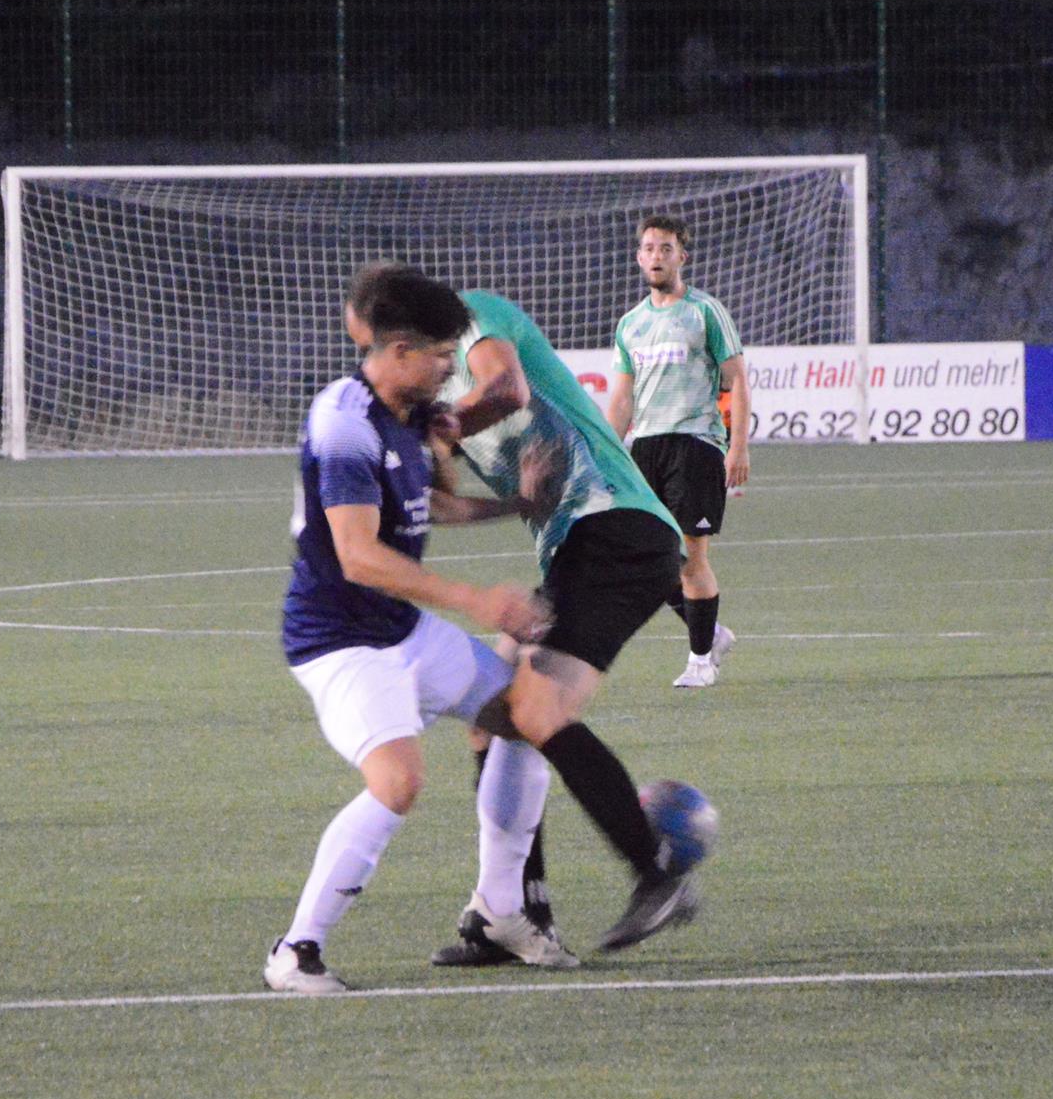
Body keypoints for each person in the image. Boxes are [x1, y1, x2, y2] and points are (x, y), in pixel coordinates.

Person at [266, 264, 573, 995]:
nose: (448, 370)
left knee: (528, 716)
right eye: (439, 356)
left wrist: (517, 503)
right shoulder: (344, 421)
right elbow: (359, 555)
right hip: (341, 643)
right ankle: (296, 952)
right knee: (398, 782)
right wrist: (476, 601)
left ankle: (501, 910)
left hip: (401, 630)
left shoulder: (410, 414)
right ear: (398, 351)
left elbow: (429, 507)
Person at [426, 284, 708, 959]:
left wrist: (442, 427)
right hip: (577, 548)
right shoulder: (431, 397)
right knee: (491, 712)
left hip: (616, 525)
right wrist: (424, 444)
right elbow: (439, 498)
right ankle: (514, 915)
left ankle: (657, 874)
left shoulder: (475, 318)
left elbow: (507, 388)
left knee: (536, 707)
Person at [604, 214, 752, 688]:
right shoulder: (630, 324)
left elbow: (737, 380)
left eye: (665, 249)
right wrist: (607, 454)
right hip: (645, 447)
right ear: (638, 257)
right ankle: (711, 633)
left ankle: (700, 661)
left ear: (681, 257)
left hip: (696, 444)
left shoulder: (705, 312)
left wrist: (738, 446)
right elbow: (622, 399)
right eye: (649, 248)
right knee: (645, 558)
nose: (656, 256)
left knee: (690, 557)